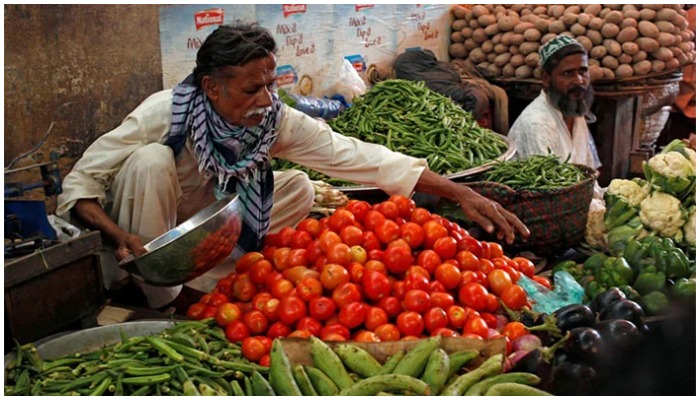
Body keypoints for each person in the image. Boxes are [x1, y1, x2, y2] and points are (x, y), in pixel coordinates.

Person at [57, 23, 529, 309]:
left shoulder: (272, 119)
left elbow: (358, 157)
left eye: (268, 85)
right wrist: (121, 239)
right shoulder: (164, 114)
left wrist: (461, 192)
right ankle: (163, 297)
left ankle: (210, 279)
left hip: (203, 220)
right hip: (144, 232)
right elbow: (80, 185)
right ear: (211, 87)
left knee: (300, 187)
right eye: (251, 90)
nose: (266, 100)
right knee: (150, 162)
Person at [507, 35, 602, 170]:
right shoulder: (536, 123)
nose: (579, 81)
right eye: (568, 73)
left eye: (583, 71)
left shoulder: (575, 112)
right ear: (546, 79)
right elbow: (549, 187)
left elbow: (589, 171)